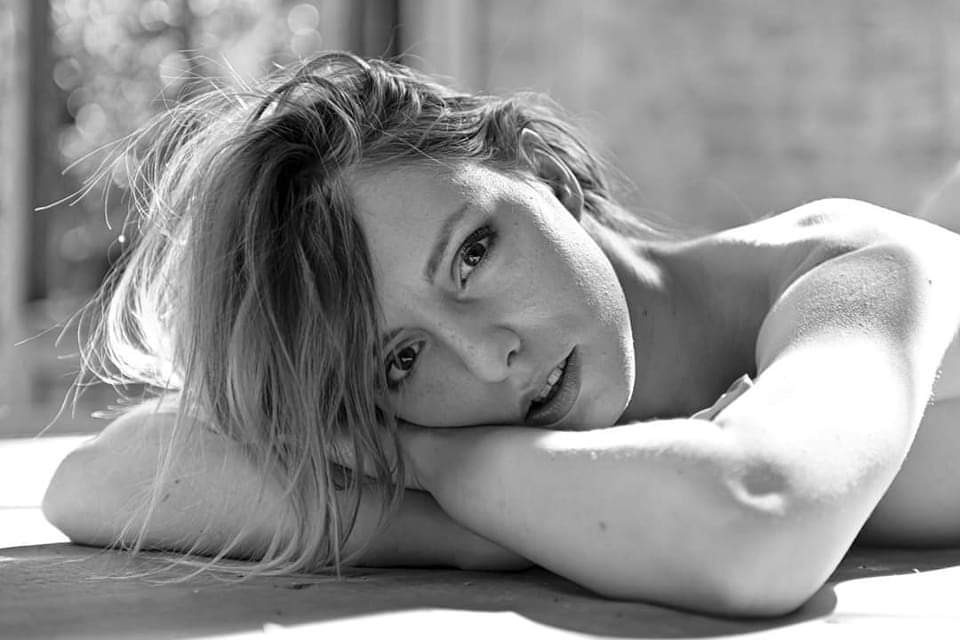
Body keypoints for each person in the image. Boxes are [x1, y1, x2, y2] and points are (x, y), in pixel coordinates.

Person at [42, 51, 960, 617]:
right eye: (402, 360)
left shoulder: (863, 271)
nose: (488, 356)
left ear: (541, 170)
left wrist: (437, 466)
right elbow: (101, 477)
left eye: (472, 255)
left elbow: (753, 522)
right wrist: (467, 530)